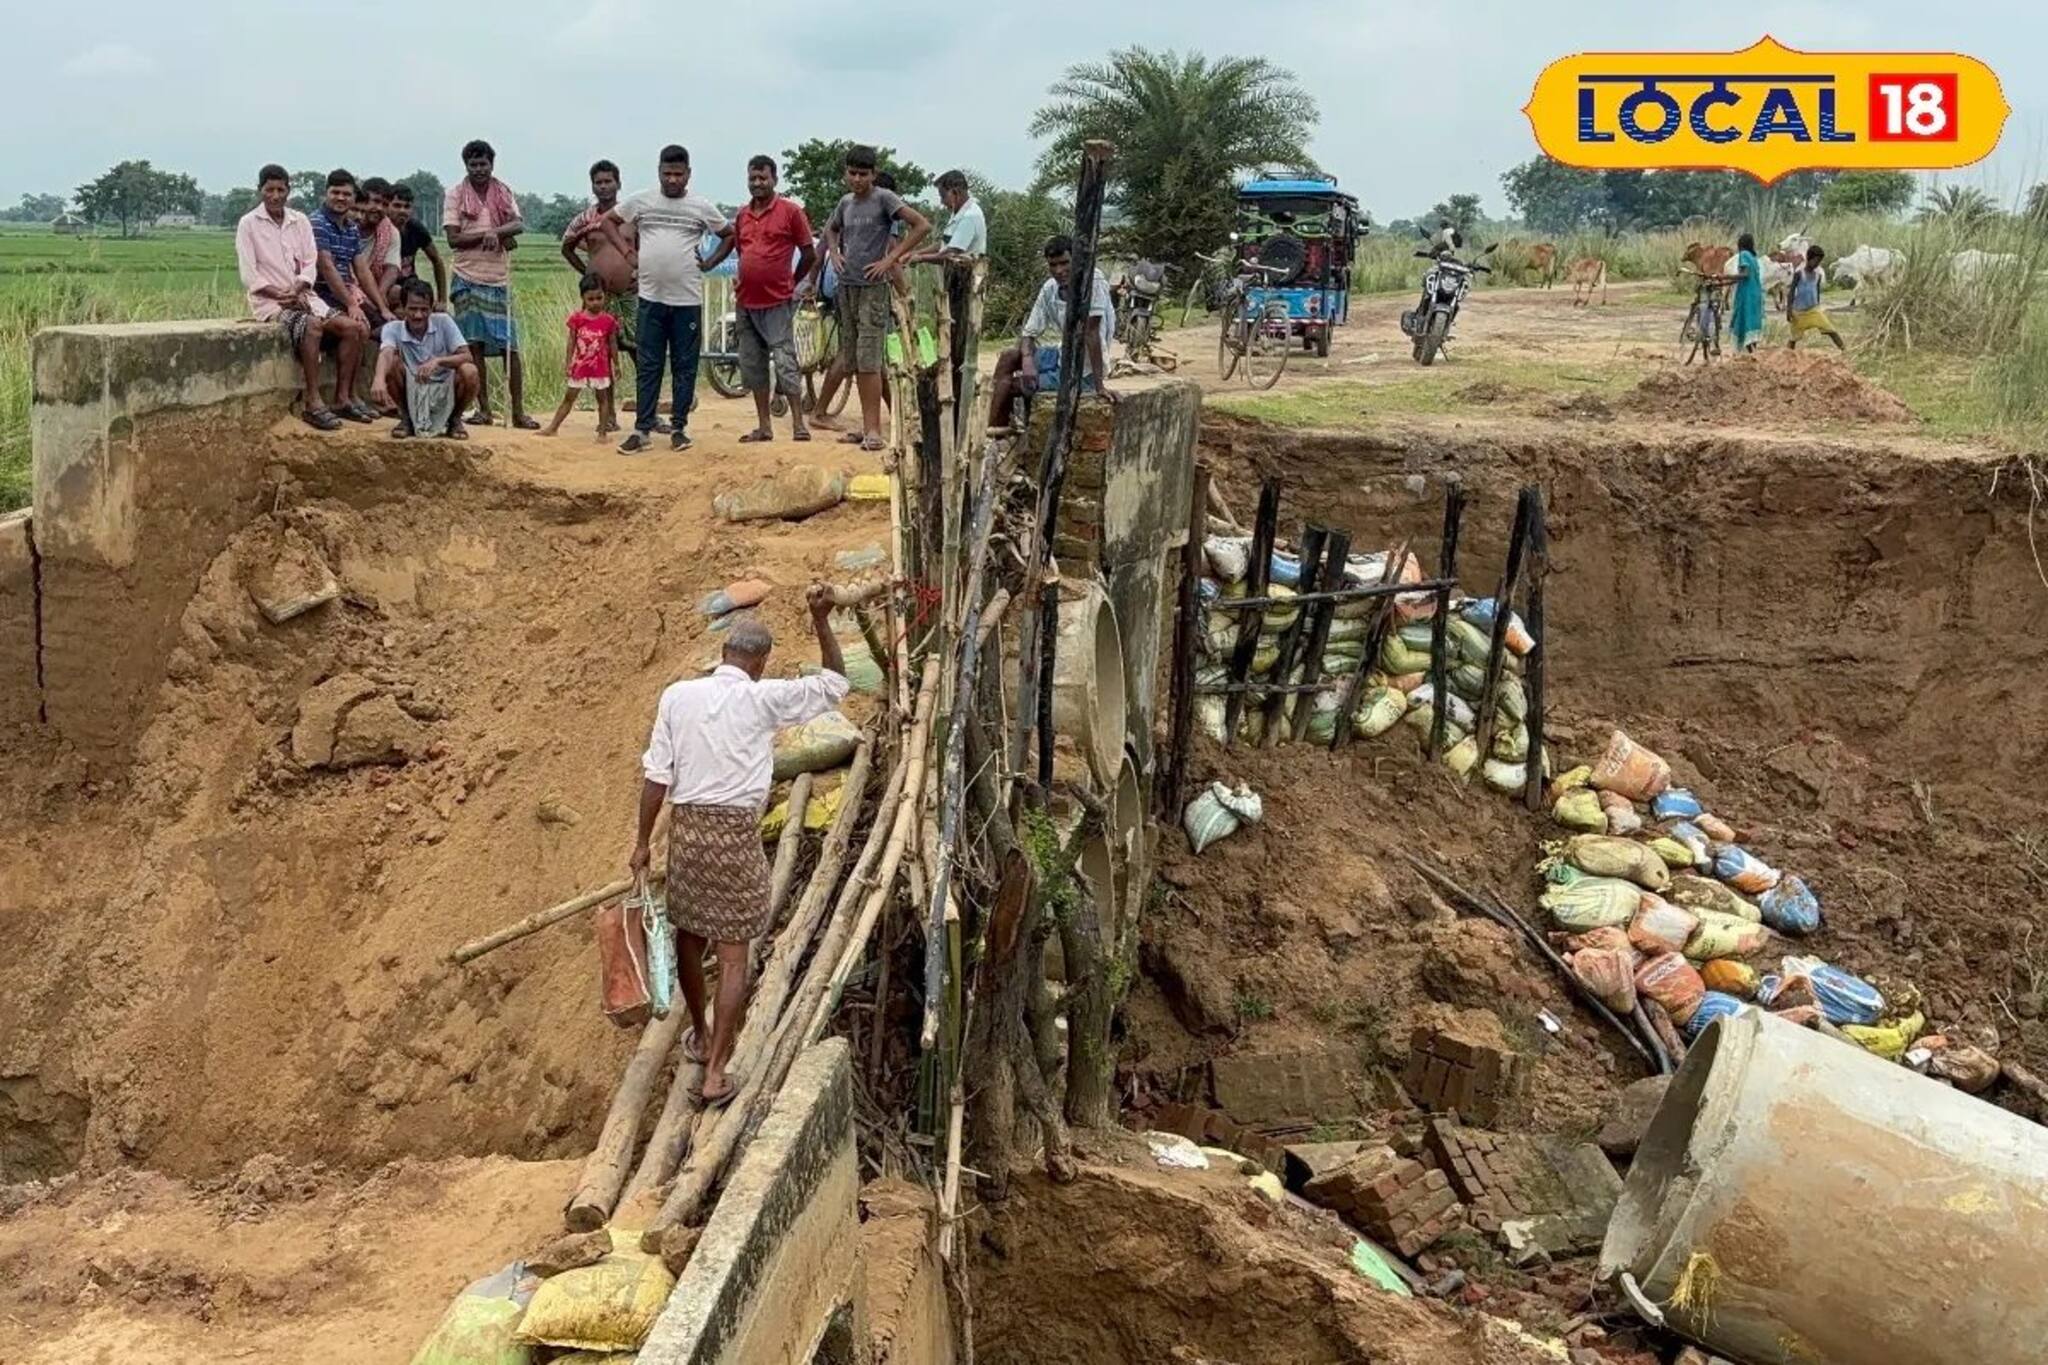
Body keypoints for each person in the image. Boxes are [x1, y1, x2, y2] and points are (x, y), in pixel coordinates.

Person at [630, 589, 850, 1106]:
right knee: (733, 956)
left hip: (688, 834)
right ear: (761, 662)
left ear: (724, 654)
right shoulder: (764, 697)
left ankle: (701, 1036)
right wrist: (821, 621)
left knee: (688, 934)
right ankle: (716, 1072)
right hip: (733, 834)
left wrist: (642, 844)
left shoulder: (677, 696)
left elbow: (655, 778)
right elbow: (836, 683)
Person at [609, 144, 728, 454]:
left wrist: (712, 262)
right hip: (650, 298)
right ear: (658, 172)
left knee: (684, 366)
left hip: (687, 300)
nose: (672, 180)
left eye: (678, 174)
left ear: (688, 174)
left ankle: (679, 428)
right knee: (649, 364)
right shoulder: (642, 201)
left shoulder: (700, 207)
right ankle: (642, 429)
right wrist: (626, 253)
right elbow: (608, 222)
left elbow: (730, 234)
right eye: (667, 174)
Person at [234, 163, 360, 431]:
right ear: (261, 191)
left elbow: (310, 262)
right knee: (311, 326)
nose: (276, 195)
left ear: (288, 191)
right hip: (271, 303)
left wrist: (300, 287)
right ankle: (312, 401)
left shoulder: (299, 221)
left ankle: (342, 397)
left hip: (305, 296)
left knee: (352, 328)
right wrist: (282, 294)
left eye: (281, 189)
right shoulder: (249, 224)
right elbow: (249, 274)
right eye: (270, 190)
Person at [699, 155, 815, 443]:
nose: (757, 183)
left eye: (763, 178)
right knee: (753, 364)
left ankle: (799, 423)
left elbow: (809, 253)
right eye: (752, 178)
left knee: (786, 361)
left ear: (775, 179)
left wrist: (792, 283)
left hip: (778, 300)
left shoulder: (791, 212)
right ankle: (764, 426)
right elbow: (740, 250)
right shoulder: (742, 215)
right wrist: (710, 264)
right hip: (747, 301)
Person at [822, 146, 929, 450]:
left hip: (873, 288)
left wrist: (890, 258)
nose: (857, 179)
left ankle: (873, 431)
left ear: (873, 174)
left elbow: (921, 225)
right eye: (852, 173)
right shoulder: (845, 203)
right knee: (856, 360)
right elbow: (830, 229)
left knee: (869, 361)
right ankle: (870, 426)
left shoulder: (884, 198)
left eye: (863, 174)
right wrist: (834, 251)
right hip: (847, 287)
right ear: (846, 172)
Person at [443, 139, 536, 428]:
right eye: (474, 164)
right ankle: (483, 410)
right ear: (466, 166)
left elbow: (518, 224)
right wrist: (492, 236)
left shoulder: (503, 192)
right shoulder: (455, 194)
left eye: (484, 164)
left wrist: (495, 232)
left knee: (511, 348)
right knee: (474, 347)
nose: (479, 169)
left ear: (492, 164)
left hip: (498, 279)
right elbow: (453, 239)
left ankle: (518, 412)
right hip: (467, 276)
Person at [987, 234, 1117, 422]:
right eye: (1053, 265)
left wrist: (1099, 386)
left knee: (1012, 385)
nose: (1059, 270)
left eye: (1065, 263)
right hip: (1062, 355)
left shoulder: (1093, 283)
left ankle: (994, 432)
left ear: (1076, 260)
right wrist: (1028, 360)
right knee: (1008, 357)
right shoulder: (1050, 288)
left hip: (1083, 371)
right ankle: (995, 427)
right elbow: (1029, 333)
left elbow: (1091, 332)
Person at [905, 168, 986, 407]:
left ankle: (959, 397)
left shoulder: (971, 215)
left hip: (966, 286)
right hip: (950, 285)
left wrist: (918, 259)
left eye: (943, 195)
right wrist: (914, 253)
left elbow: (951, 254)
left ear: (956, 191)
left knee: (960, 342)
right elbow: (942, 245)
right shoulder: (957, 214)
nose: (941, 201)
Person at [370, 277, 480, 440]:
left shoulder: (444, 321)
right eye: (412, 309)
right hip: (412, 387)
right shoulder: (392, 328)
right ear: (402, 308)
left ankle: (455, 419)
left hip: (444, 385)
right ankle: (406, 418)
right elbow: (385, 353)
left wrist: (438, 361)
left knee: (470, 371)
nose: (418, 315)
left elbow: (467, 355)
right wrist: (378, 379)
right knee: (392, 364)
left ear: (431, 308)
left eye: (424, 309)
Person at [307, 169, 377, 422]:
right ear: (326, 193)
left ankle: (351, 394)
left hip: (342, 293)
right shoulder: (317, 222)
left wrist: (380, 305)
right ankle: (342, 398)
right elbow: (325, 265)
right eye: (335, 192)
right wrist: (350, 303)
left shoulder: (350, 227)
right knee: (355, 327)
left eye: (346, 194)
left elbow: (361, 268)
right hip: (321, 293)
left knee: (367, 327)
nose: (340, 198)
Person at [562, 159, 639, 387]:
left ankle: (647, 407)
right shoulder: (584, 219)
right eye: (598, 182)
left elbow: (646, 250)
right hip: (598, 297)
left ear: (618, 184)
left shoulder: (632, 217)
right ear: (592, 186)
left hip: (629, 293)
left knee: (639, 348)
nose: (603, 186)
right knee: (600, 350)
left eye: (608, 181)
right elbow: (567, 248)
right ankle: (609, 415)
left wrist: (642, 278)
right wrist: (587, 275)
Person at [541, 272, 622, 438]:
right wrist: (568, 362)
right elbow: (571, 342)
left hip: (600, 367)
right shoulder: (577, 319)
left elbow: (613, 344)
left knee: (603, 400)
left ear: (605, 296)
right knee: (569, 397)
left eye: (599, 298)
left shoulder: (608, 321)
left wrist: (616, 364)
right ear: (583, 298)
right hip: (580, 365)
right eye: (590, 299)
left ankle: (602, 432)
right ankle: (553, 427)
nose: (595, 303)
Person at [386, 184, 447, 308]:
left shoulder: (415, 228)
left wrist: (442, 300)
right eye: (397, 205)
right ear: (387, 206)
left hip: (410, 287)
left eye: (407, 206)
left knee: (438, 315)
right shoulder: (381, 231)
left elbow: (437, 260)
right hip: (386, 290)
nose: (402, 211)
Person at [353, 177, 399, 331]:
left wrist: (380, 294)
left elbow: (392, 268)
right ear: (363, 200)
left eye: (385, 204)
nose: (379, 208)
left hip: (372, 287)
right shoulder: (348, 225)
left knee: (397, 293)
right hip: (346, 286)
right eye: (375, 201)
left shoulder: (390, 231)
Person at [1785, 244, 1846, 352]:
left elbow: (1816, 292)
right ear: (1809, 258)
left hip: (1813, 310)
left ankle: (1844, 350)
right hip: (1798, 312)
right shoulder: (1799, 274)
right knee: (1793, 337)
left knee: (1830, 330)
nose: (1817, 263)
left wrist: (1817, 305)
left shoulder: (1818, 276)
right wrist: (1789, 309)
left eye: (1819, 261)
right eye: (1816, 260)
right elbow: (1791, 292)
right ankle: (1788, 356)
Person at [1730, 232, 1766, 354]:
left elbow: (1744, 274)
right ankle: (1752, 351)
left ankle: (1751, 353)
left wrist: (1726, 277)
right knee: (1752, 321)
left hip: (1746, 293)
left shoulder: (1743, 255)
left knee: (1744, 320)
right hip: (1756, 293)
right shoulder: (1754, 258)